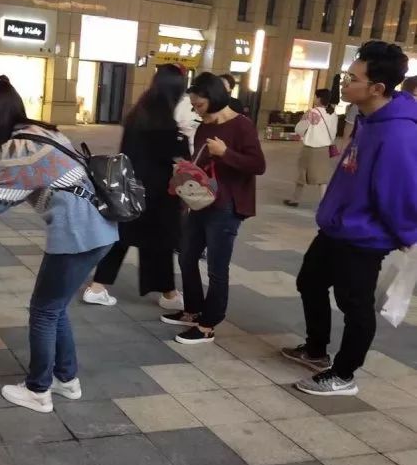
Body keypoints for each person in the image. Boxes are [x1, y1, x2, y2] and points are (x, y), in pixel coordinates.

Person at [0, 79, 117, 413]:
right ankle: (66, 379)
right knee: (55, 307)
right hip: (100, 229)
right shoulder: (41, 133)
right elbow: (13, 188)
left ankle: (38, 390)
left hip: (77, 235)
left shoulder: (17, 149)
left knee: (42, 311)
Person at [283, 41, 417, 397]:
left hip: (363, 237)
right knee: (309, 281)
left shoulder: (398, 133)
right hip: (336, 227)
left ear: (377, 88)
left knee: (355, 306)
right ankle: (315, 350)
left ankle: (343, 374)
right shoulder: (367, 119)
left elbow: (400, 193)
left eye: (352, 77)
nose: (344, 82)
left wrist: (408, 234)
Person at [162, 72, 266, 345]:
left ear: (214, 97)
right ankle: (193, 310)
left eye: (199, 105)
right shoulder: (205, 126)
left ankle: (208, 324)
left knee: (217, 268)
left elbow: (258, 165)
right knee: (186, 256)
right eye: (194, 106)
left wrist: (225, 153)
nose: (196, 110)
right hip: (202, 201)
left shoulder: (242, 125)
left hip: (227, 206)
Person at [82, 64, 190, 309]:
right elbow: (176, 155)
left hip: (130, 188)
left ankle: (98, 287)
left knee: (123, 238)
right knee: (160, 242)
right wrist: (182, 140)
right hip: (157, 194)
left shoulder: (139, 113)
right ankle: (169, 295)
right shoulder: (164, 122)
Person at [284, 89, 338, 208]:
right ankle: (324, 202)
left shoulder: (311, 112)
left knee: (301, 174)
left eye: (315, 96)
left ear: (319, 98)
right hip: (324, 149)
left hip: (310, 148)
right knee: (322, 177)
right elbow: (333, 133)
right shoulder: (333, 114)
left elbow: (299, 129)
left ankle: (295, 199)